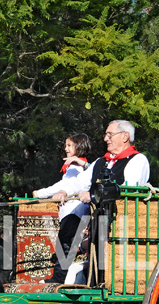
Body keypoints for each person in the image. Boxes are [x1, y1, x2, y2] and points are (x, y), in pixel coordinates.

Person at [50, 120, 150, 285]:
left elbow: (129, 190)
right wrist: (63, 191)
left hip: (122, 226)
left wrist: (93, 195)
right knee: (70, 221)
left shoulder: (138, 160)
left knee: (106, 268)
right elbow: (79, 181)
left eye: (110, 134)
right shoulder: (101, 162)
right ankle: (61, 278)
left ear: (125, 136)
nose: (105, 139)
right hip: (99, 223)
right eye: (106, 135)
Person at [32, 132, 92, 283]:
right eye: (66, 145)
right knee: (66, 244)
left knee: (65, 244)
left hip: (74, 212)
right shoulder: (76, 166)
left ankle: (59, 278)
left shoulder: (75, 167)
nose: (66, 148)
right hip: (73, 212)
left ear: (79, 147)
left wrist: (40, 193)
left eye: (70, 145)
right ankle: (60, 277)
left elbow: (64, 186)